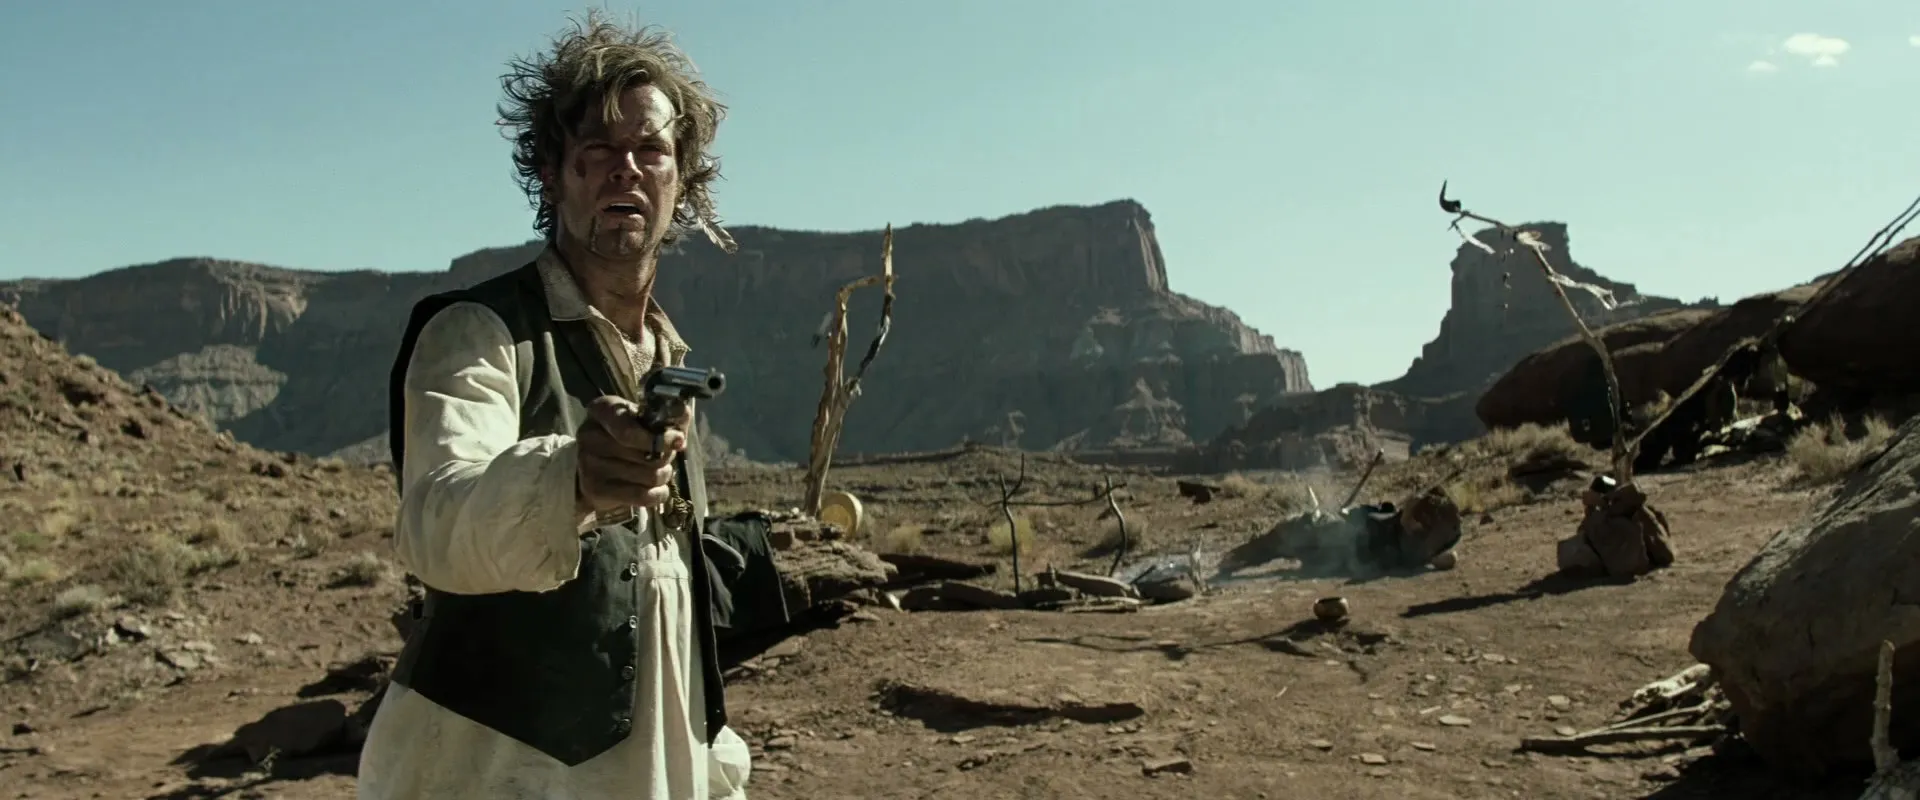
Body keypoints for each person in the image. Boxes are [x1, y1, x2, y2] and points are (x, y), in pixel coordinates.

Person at [357, 13, 752, 799]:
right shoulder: (478, 332)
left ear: (682, 179)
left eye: (650, 150)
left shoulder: (668, 359)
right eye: (596, 150)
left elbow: (662, 596)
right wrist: (571, 482)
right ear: (551, 172)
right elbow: (435, 519)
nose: (625, 170)